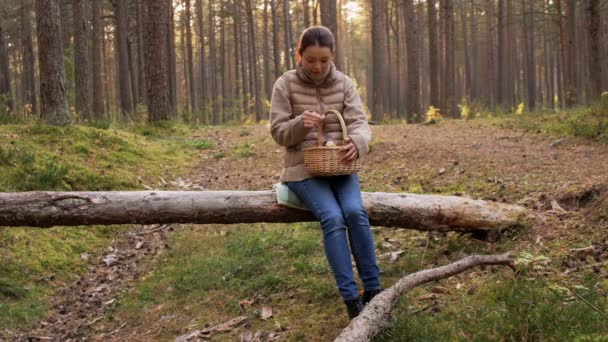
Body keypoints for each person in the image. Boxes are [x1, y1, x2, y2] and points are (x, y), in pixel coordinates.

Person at [269, 25, 382, 319]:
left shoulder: (344, 83)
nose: (317, 66)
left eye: (323, 60)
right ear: (299, 55)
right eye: (310, 60)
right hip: (302, 170)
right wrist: (299, 124)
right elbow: (278, 132)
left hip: (341, 166)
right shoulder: (285, 84)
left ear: (332, 56)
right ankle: (351, 299)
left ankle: (374, 290)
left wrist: (357, 143)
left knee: (356, 213)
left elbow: (359, 122)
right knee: (332, 217)